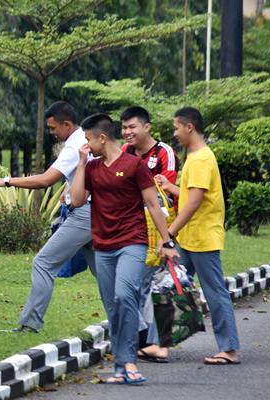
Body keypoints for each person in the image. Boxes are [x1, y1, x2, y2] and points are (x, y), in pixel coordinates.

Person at [70, 113, 179, 384]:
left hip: (132, 242)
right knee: (113, 307)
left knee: (124, 297)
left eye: (88, 139)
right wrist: (82, 164)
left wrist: (167, 242)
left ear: (102, 138)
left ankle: (129, 362)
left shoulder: (134, 165)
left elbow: (154, 205)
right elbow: (76, 200)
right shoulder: (93, 168)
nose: (86, 144)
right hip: (103, 246)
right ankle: (121, 367)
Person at [0, 101, 95, 333]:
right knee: (106, 274)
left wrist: (7, 181)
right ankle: (135, 323)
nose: (51, 133)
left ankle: (30, 324)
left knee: (43, 263)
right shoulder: (82, 140)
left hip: (85, 215)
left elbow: (45, 180)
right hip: (95, 213)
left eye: (53, 128)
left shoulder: (74, 145)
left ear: (67, 124)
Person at [156, 107, 241, 365]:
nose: (175, 133)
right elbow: (193, 196)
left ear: (189, 127)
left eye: (176, 128)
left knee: (214, 292)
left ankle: (229, 349)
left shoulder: (202, 158)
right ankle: (159, 346)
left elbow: (193, 204)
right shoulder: (194, 157)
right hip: (191, 238)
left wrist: (168, 233)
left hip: (203, 239)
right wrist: (171, 187)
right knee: (169, 287)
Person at [120, 106, 179, 362]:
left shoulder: (163, 153)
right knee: (139, 283)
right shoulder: (125, 152)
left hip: (159, 227)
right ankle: (146, 339)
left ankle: (155, 342)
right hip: (132, 226)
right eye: (124, 128)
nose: (127, 132)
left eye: (132, 127)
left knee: (154, 283)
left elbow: (162, 193)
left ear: (147, 127)